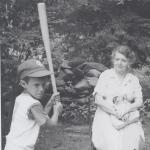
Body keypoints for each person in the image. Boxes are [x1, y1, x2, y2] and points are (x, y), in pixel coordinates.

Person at [92, 45, 145, 150]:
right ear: (113, 60)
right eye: (117, 59)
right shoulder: (105, 75)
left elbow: (139, 101)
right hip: (106, 114)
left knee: (134, 139)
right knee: (112, 140)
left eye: (123, 60)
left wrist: (126, 109)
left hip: (127, 115)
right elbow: (98, 100)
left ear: (129, 62)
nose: (119, 63)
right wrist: (115, 112)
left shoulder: (133, 79)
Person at [4, 59, 63, 150]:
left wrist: (50, 103)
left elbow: (39, 117)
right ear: (23, 83)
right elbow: (51, 124)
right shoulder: (34, 104)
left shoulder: (20, 98)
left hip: (11, 145)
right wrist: (56, 112)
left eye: (43, 85)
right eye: (36, 85)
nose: (41, 89)